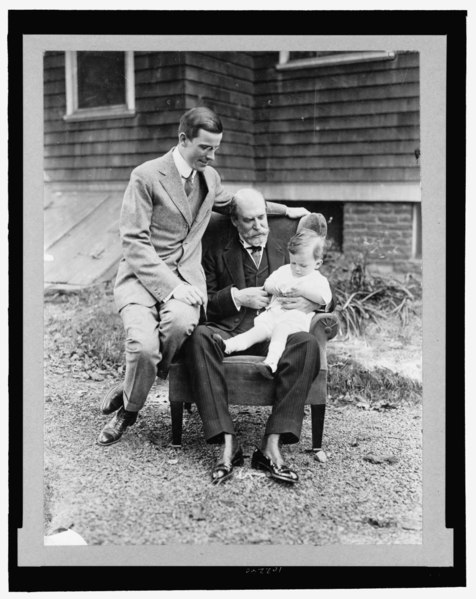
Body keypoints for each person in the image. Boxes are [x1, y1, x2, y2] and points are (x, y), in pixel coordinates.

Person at [97, 107, 308, 446]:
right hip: (142, 278)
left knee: (181, 326)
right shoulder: (146, 176)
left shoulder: (209, 180)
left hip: (188, 283)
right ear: (184, 140)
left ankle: (129, 393)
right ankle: (130, 408)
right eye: (205, 148)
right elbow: (134, 243)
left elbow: (240, 204)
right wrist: (173, 287)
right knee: (143, 347)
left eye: (216, 149)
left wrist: (285, 211)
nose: (212, 156)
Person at [183, 188, 334, 485]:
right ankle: (228, 442)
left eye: (263, 218)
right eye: (249, 221)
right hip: (232, 329)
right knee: (199, 337)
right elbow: (204, 303)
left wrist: (313, 302)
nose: (260, 227)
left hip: (281, 328)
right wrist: (237, 297)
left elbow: (325, 289)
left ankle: (272, 446)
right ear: (234, 222)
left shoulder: (288, 247)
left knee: (307, 344)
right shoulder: (216, 250)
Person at [214, 229, 332, 377]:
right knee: (256, 332)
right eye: (293, 263)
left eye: (302, 266)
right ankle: (227, 346)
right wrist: (277, 289)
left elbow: (324, 298)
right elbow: (268, 284)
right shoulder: (284, 271)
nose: (296, 269)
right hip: (273, 316)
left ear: (317, 263)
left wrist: (302, 292)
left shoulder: (317, 279)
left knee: (280, 331)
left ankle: (271, 363)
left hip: (293, 321)